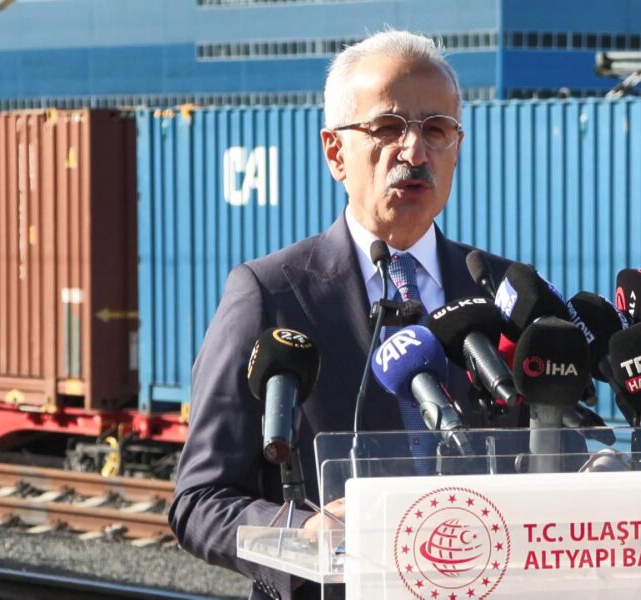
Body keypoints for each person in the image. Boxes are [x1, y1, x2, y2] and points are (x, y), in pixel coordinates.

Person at [169, 30, 515, 600]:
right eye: (387, 128)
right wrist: (302, 534)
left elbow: (554, 448)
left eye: (436, 129)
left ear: (457, 147)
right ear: (335, 152)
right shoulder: (270, 293)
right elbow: (199, 501)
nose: (414, 152)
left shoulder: (502, 290)